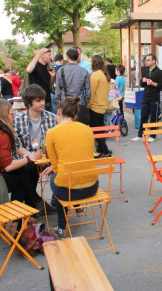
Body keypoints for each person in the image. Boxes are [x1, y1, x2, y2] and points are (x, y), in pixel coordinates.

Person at [41, 96, 99, 238]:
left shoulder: (52, 133)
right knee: (63, 179)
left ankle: (61, 228)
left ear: (58, 112)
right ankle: (76, 208)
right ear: (75, 115)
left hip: (68, 191)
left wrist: (55, 169)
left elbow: (54, 165)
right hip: (92, 187)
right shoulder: (87, 130)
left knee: (56, 181)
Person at [13, 84, 57, 212]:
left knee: (63, 167)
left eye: (43, 99)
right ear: (28, 102)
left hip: (47, 157)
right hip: (27, 158)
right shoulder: (17, 120)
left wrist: (45, 159)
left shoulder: (52, 118)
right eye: (38, 100)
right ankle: (33, 205)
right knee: (28, 170)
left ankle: (53, 201)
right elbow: (17, 146)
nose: (42, 103)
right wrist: (34, 157)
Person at [131, 54, 162, 142]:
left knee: (154, 116)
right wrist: (143, 81)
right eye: (146, 60)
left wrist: (153, 83)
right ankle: (140, 134)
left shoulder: (159, 72)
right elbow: (142, 84)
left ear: (154, 61)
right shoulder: (146, 71)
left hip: (154, 97)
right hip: (145, 96)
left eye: (148, 60)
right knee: (143, 116)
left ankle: (152, 135)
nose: (146, 62)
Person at [54, 48, 91, 125]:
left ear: (67, 57)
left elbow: (57, 90)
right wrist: (85, 102)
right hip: (80, 103)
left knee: (66, 130)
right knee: (80, 129)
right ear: (78, 57)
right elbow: (88, 90)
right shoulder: (84, 71)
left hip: (65, 104)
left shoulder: (61, 71)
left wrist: (59, 102)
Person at [88, 55, 113, 157]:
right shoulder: (104, 74)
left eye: (90, 62)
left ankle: (106, 151)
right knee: (100, 129)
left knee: (97, 132)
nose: (89, 63)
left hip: (95, 107)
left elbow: (91, 93)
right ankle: (100, 150)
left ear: (95, 63)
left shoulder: (95, 75)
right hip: (102, 106)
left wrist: (87, 105)